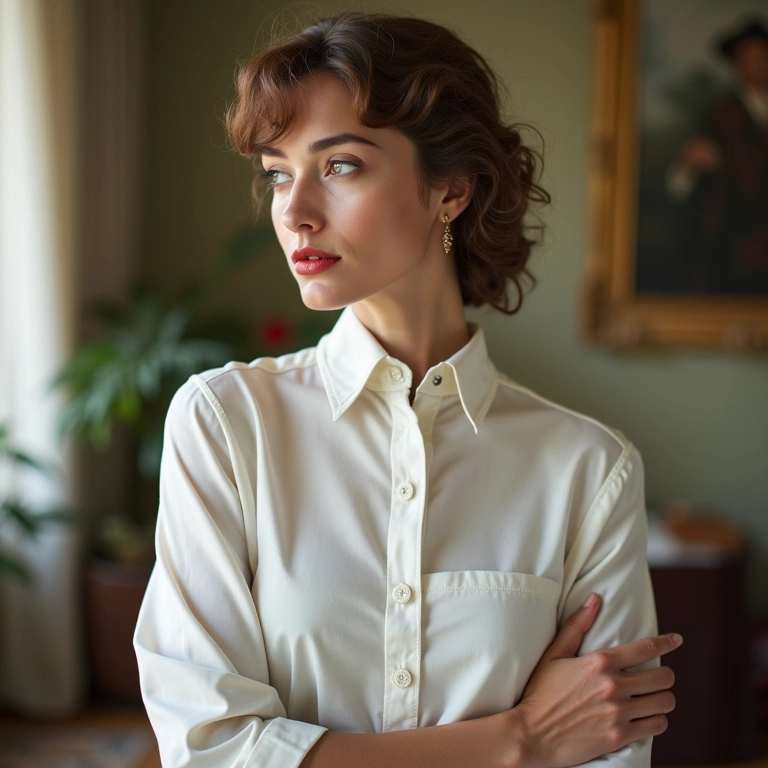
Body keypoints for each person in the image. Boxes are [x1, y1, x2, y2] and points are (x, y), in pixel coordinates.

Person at [134, 13, 680, 768]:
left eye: (341, 165)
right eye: (278, 172)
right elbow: (210, 749)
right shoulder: (226, 423)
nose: (292, 211)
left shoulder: (589, 467)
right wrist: (517, 740)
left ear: (450, 190)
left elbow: (611, 752)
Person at [667, 18, 768, 294]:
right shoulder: (721, 114)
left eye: (764, 58)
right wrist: (691, 163)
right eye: (752, 58)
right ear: (737, 64)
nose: (760, 65)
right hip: (734, 244)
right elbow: (683, 180)